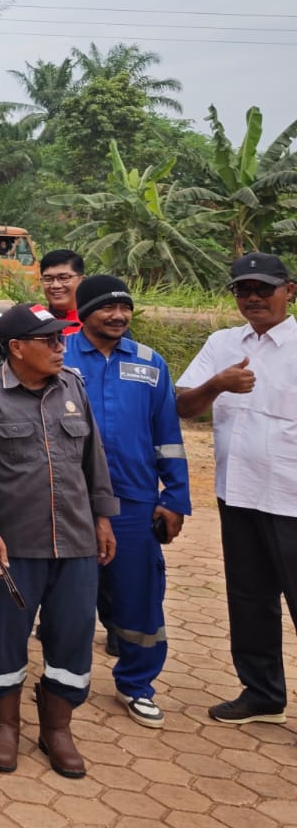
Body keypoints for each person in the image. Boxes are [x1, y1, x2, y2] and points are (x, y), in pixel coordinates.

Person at [0, 302, 118, 779]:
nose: (58, 346)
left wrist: (103, 519)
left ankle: (58, 729)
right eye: (47, 339)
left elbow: (94, 457)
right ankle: (4, 725)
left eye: (59, 337)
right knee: (3, 635)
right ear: (16, 348)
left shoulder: (72, 385)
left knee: (72, 634)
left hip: (75, 539)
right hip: (11, 543)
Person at [176, 251, 297, 727]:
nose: (252, 298)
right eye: (243, 290)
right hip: (237, 493)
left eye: (263, 289)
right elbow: (185, 407)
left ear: (290, 290)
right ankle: (263, 693)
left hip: (291, 499)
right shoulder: (222, 343)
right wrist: (218, 384)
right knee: (249, 599)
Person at [65, 276, 189, 727]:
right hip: (66, 499)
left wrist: (175, 498)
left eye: (125, 308)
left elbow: (169, 438)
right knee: (69, 596)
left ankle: (137, 684)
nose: (118, 316)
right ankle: (66, 680)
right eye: (107, 308)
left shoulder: (150, 364)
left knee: (138, 597)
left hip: (134, 502)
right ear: (84, 313)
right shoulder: (58, 357)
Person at [38, 249, 85, 336]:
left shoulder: (94, 322)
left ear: (81, 280)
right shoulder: (33, 319)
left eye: (64, 278)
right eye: (48, 279)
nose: (55, 285)